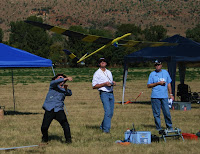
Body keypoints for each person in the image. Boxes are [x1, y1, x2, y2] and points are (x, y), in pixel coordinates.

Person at [41, 73, 73, 143]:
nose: (60, 79)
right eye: (59, 78)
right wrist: (66, 78)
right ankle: (45, 139)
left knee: (65, 124)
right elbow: (55, 82)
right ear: (55, 79)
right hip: (49, 108)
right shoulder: (52, 86)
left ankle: (68, 140)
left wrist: (65, 89)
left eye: (62, 78)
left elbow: (69, 93)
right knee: (44, 127)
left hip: (59, 109)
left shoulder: (64, 89)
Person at [147, 60, 174, 131]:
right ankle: (158, 128)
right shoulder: (152, 74)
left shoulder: (165, 72)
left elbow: (169, 84)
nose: (157, 66)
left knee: (167, 112)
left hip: (164, 96)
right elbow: (149, 85)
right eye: (156, 65)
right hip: (155, 96)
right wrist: (158, 83)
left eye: (158, 65)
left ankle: (169, 127)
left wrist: (171, 94)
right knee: (156, 114)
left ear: (161, 65)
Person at [92, 58, 116, 133]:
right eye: (101, 62)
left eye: (104, 61)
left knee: (111, 112)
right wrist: (104, 84)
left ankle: (102, 127)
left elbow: (110, 82)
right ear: (99, 64)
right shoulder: (97, 73)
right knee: (108, 111)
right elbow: (94, 86)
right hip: (104, 93)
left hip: (111, 92)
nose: (102, 63)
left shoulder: (109, 72)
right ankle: (106, 130)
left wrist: (113, 83)